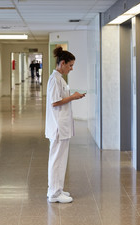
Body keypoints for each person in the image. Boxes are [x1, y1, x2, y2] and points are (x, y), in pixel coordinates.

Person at [45, 47, 86, 203]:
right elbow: (55, 102)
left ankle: (58, 189)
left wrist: (73, 96)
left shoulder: (59, 79)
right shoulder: (54, 79)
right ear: (62, 63)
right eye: (70, 65)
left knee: (61, 160)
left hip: (62, 127)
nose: (71, 68)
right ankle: (54, 193)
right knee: (56, 160)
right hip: (57, 127)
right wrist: (73, 97)